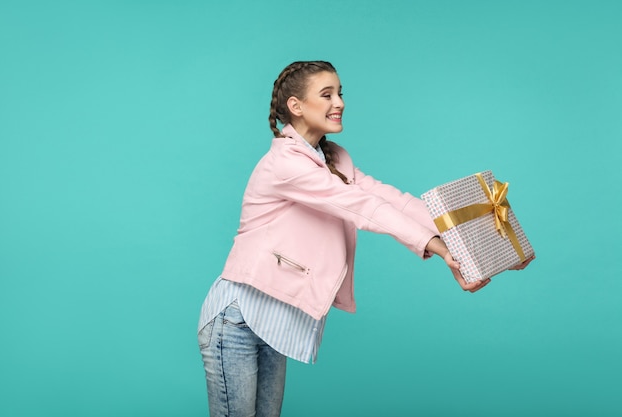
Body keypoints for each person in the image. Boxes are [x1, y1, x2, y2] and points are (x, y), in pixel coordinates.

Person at [196, 60, 533, 417]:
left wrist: (478, 236)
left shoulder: (335, 158)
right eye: (326, 94)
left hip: (273, 317)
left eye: (340, 93)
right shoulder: (284, 165)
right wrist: (439, 248)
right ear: (295, 106)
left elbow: (390, 199)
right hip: (237, 318)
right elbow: (363, 207)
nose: (339, 102)